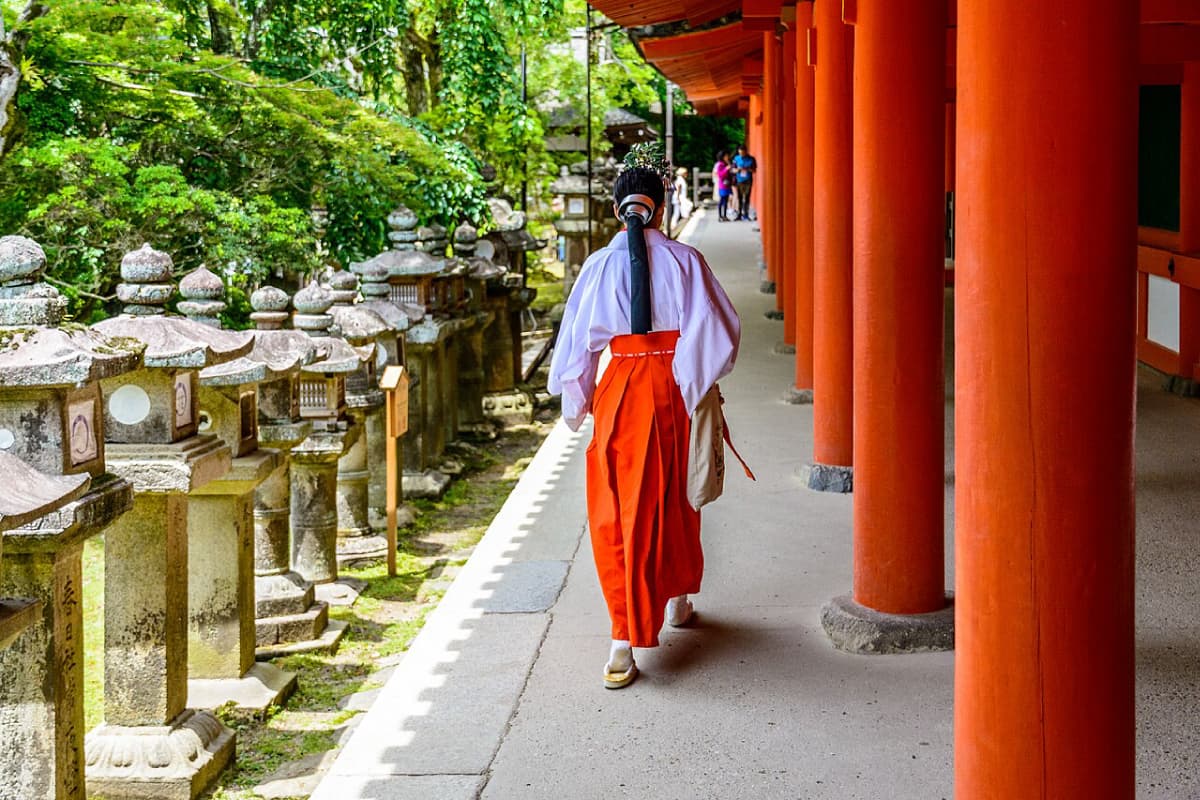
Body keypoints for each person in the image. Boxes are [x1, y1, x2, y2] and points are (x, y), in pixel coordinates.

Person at [548, 148, 741, 690]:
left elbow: (576, 349)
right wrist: (691, 381)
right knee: (676, 497)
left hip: (621, 390)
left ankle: (622, 640)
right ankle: (675, 598)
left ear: (618, 210)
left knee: (620, 512)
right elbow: (719, 333)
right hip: (674, 388)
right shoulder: (685, 260)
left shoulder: (598, 266)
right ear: (658, 209)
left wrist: (577, 404)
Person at [732, 144, 756, 220]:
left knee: (747, 197)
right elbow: (733, 170)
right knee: (739, 197)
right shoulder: (736, 158)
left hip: (748, 179)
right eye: (740, 153)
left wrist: (747, 169)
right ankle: (739, 214)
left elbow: (754, 170)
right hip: (739, 180)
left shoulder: (751, 159)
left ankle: (746, 214)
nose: (741, 154)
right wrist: (738, 170)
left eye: (742, 153)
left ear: (746, 152)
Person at [713, 150, 733, 222]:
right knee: (722, 200)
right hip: (723, 185)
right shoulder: (720, 164)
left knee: (726, 200)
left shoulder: (726, 163)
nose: (727, 157)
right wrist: (726, 169)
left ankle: (724, 216)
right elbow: (720, 175)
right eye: (726, 156)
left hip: (727, 184)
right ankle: (720, 216)